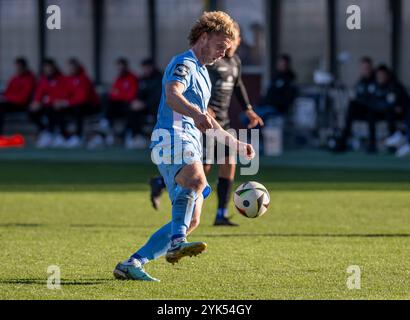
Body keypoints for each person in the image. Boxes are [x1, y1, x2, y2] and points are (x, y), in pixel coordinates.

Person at [113, 11, 255, 281]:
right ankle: (177, 243)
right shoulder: (184, 63)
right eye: (220, 47)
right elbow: (172, 95)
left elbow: (208, 121)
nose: (223, 55)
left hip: (187, 138)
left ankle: (133, 263)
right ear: (204, 37)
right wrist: (197, 114)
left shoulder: (202, 73)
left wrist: (235, 143)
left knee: (193, 220)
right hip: (171, 135)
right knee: (197, 181)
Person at [149, 22, 264, 227]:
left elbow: (238, 85)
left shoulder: (234, 62)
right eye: (224, 44)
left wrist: (247, 108)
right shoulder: (206, 63)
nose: (229, 48)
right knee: (203, 170)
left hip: (221, 120)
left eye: (232, 42)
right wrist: (200, 112)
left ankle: (221, 212)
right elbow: (186, 92)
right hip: (202, 121)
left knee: (229, 163)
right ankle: (165, 185)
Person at [337, 64, 401, 153]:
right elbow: (366, 98)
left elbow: (393, 102)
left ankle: (392, 144)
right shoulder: (371, 84)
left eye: (382, 74)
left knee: (386, 112)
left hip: (389, 113)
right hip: (373, 111)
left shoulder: (393, 85)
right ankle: (345, 141)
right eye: (379, 75)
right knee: (358, 108)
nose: (380, 77)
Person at [87, 58, 139, 149]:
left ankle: (107, 124)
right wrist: (119, 94)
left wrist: (119, 95)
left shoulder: (132, 78)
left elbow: (130, 95)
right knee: (107, 99)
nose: (120, 69)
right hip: (117, 105)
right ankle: (106, 126)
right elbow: (113, 93)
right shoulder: (118, 78)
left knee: (113, 104)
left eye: (121, 67)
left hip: (127, 105)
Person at [52, 58, 100, 148]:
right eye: (70, 68)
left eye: (73, 68)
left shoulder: (84, 79)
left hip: (90, 105)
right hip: (73, 105)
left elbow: (82, 98)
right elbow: (63, 94)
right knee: (57, 109)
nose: (71, 70)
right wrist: (60, 102)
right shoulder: (67, 79)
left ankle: (78, 136)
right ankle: (63, 136)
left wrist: (66, 102)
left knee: (79, 109)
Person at [125, 58, 163, 149]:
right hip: (144, 107)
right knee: (131, 110)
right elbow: (139, 93)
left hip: (156, 107)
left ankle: (149, 138)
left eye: (147, 68)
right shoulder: (143, 79)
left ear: (152, 67)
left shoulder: (160, 79)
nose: (145, 70)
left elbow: (158, 97)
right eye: (144, 68)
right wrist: (136, 102)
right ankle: (136, 136)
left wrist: (144, 104)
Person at [29, 59, 67, 148]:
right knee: (31, 111)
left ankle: (51, 134)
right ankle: (45, 131)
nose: (48, 70)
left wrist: (48, 100)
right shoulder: (43, 80)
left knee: (52, 110)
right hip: (45, 105)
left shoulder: (61, 79)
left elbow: (61, 94)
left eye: (49, 68)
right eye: (46, 68)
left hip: (57, 105)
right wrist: (36, 102)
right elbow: (39, 93)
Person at [0, 57, 36, 136]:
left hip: (21, 105)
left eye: (19, 67)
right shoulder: (14, 78)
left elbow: (23, 98)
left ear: (24, 67)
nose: (17, 69)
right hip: (10, 103)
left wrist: (7, 98)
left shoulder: (29, 79)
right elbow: (7, 92)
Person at [255, 54, 297, 120]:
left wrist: (272, 102)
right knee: (246, 116)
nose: (280, 66)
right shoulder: (275, 76)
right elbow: (269, 93)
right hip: (266, 105)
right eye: (279, 63)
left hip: (276, 108)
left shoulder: (289, 80)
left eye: (283, 64)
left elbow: (285, 99)